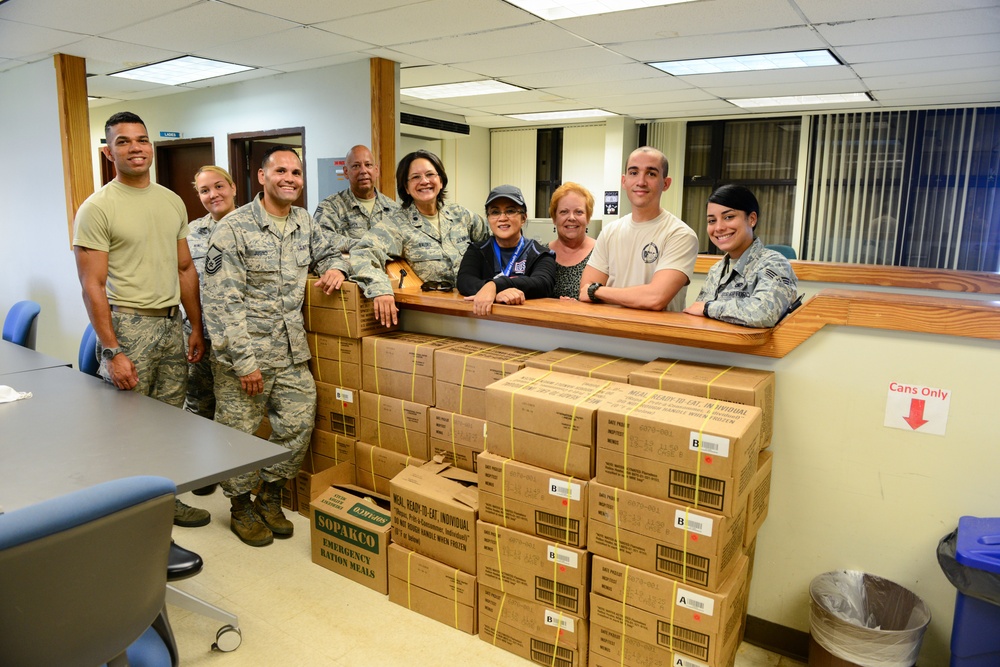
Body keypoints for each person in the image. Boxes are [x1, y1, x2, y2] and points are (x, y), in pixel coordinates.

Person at [201, 145, 346, 547]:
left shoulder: (304, 222)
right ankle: (240, 506)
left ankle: (269, 495)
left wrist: (335, 266)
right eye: (280, 170)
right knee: (238, 433)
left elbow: (333, 251)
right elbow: (221, 302)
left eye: (296, 173)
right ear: (262, 177)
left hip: (291, 351)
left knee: (299, 423)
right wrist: (245, 363)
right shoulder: (232, 228)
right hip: (243, 357)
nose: (290, 178)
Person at [73, 111, 210, 528]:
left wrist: (195, 325)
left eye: (142, 140)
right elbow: (92, 286)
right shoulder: (97, 208)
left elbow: (186, 268)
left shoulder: (171, 200)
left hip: (171, 326)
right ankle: (123, 517)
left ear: (151, 146)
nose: (136, 148)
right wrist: (112, 350)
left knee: (167, 424)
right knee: (125, 428)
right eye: (124, 141)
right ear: (108, 151)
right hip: (128, 328)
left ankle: (167, 501)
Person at [345, 149, 489, 327]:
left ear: (441, 180)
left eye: (430, 174)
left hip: (478, 309)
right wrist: (381, 290)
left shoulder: (461, 216)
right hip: (434, 318)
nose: (424, 181)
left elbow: (493, 246)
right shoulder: (396, 224)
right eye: (415, 177)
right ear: (406, 187)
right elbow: (362, 253)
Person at [579, 146, 698, 311]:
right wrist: (595, 291)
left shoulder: (680, 235)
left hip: (656, 335)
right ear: (624, 181)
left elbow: (655, 298)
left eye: (651, 174)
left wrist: (598, 291)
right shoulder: (610, 231)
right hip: (608, 333)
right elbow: (586, 290)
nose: (641, 182)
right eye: (634, 173)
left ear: (666, 183)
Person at [183, 166, 238, 497]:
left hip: (236, 335)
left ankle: (230, 468)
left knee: (231, 407)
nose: (213, 194)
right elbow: (184, 278)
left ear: (232, 187)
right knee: (199, 399)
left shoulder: (252, 225)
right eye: (205, 190)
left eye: (219, 186)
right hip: (200, 331)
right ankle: (203, 468)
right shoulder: (192, 233)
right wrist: (194, 328)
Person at [683, 184, 798, 327]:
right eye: (712, 220)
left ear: (752, 219)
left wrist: (708, 308)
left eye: (728, 217)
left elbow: (764, 314)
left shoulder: (774, 264)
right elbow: (697, 316)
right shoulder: (716, 270)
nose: (719, 227)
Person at [457, 185, 556, 316]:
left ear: (524, 218)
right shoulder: (477, 250)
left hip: (527, 325)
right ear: (488, 219)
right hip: (483, 324)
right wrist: (497, 293)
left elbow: (543, 283)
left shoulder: (539, 253)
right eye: (495, 212)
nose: (502, 218)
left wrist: (495, 286)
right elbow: (464, 281)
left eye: (510, 211)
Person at [312, 144, 399, 253]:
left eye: (368, 165)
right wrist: (361, 245)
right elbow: (320, 238)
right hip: (348, 269)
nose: (363, 171)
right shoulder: (330, 206)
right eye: (356, 166)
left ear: (376, 170)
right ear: (346, 172)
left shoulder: (394, 209)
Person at [547, 182, 597, 299]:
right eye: (564, 212)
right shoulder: (542, 253)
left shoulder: (601, 252)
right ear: (554, 218)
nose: (571, 218)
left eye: (578, 212)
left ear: (588, 217)